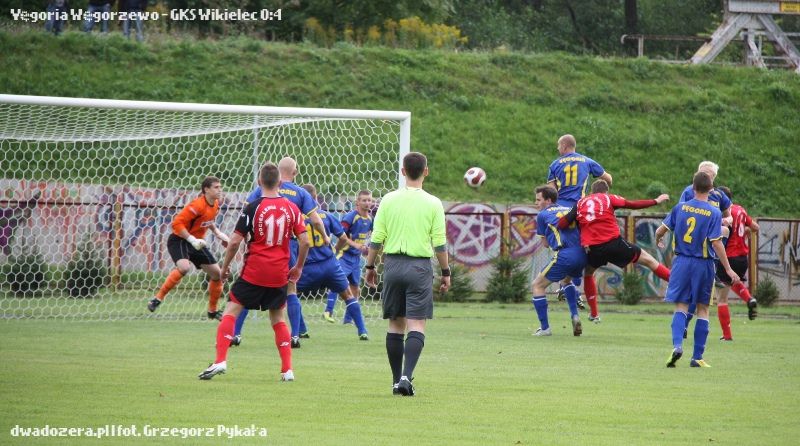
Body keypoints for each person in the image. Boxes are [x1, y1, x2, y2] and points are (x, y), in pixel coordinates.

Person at [198, 163, 310, 381]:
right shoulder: (292, 209)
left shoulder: (252, 207)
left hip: (255, 271)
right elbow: (305, 242)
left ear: (259, 182)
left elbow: (234, 242)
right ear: (280, 182)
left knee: (231, 309)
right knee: (278, 317)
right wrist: (298, 267)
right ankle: (287, 370)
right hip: (279, 273)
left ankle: (220, 361)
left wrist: (225, 267)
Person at [364, 152, 450, 397]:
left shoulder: (388, 200)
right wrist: (445, 271)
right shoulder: (433, 203)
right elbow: (440, 243)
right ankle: (405, 377)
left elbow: (377, 238)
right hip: (419, 267)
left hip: (392, 266)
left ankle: (395, 381)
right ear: (426, 171)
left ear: (403, 171)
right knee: (416, 324)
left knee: (395, 323)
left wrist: (370, 267)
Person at [233, 157, 329, 348]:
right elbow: (316, 220)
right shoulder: (300, 193)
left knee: (246, 290)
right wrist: (325, 237)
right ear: (295, 172)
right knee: (291, 289)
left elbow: (245, 215)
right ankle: (295, 336)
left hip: (261, 247)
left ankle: (235, 334)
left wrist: (246, 242)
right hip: (288, 246)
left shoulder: (261, 189)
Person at [655, 172, 740, 368]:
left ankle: (677, 346)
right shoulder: (714, 212)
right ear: (711, 189)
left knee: (681, 306)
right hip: (704, 264)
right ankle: (697, 357)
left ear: (693, 188)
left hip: (681, 262)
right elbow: (716, 242)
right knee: (703, 308)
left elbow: (661, 230)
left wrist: (659, 240)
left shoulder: (680, 208)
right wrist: (728, 269)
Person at [558, 179, 672, 321]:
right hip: (613, 243)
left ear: (592, 192)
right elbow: (632, 204)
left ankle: (594, 314)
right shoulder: (608, 198)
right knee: (649, 261)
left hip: (593, 248)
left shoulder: (580, 203)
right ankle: (678, 283)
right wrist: (656, 201)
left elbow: (562, 223)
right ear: (606, 191)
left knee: (588, 273)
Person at [147, 176, 230, 320]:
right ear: (206, 189)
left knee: (217, 274)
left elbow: (208, 220)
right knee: (184, 268)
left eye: (220, 187)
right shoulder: (197, 205)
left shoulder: (216, 204)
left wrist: (218, 233)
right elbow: (176, 224)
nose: (220, 190)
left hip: (197, 243)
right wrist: (191, 239)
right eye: (216, 187)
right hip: (179, 239)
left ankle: (212, 311)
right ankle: (157, 299)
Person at [294, 184, 368, 339]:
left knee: (291, 294)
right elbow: (343, 238)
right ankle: (363, 331)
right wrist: (335, 250)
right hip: (329, 265)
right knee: (348, 294)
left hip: (308, 267)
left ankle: (301, 330)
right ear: (315, 198)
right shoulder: (326, 216)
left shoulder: (296, 218)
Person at [547, 134, 612, 309]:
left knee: (564, 249)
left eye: (558, 145)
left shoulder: (555, 164)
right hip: (581, 210)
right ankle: (571, 288)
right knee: (582, 249)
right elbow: (608, 179)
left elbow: (551, 193)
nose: (557, 149)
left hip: (562, 212)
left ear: (565, 146)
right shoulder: (587, 161)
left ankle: (567, 288)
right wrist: (598, 194)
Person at [679, 161, 733, 336]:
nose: (705, 176)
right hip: (693, 251)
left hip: (710, 254)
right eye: (702, 172)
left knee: (701, 296)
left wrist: (726, 221)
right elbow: (680, 214)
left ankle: (685, 326)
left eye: (709, 174)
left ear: (714, 178)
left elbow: (729, 216)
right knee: (691, 293)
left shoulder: (719, 195)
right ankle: (684, 325)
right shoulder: (689, 192)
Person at [530, 185, 586, 337]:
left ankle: (545, 328)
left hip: (565, 255)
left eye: (538, 200)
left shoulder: (542, 215)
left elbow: (545, 244)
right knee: (566, 281)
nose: (536, 203)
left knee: (537, 285)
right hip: (582, 254)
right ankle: (575, 315)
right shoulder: (569, 209)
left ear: (548, 200)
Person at [714, 186, 760, 341]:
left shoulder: (723, 213)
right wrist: (744, 231)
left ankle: (727, 336)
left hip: (728, 257)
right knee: (734, 282)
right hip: (742, 258)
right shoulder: (740, 210)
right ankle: (749, 299)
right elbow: (755, 227)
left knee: (721, 298)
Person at [324, 190, 374, 323]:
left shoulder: (370, 219)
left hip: (356, 259)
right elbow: (341, 236)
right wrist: (356, 245)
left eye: (369, 200)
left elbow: (371, 235)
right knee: (337, 282)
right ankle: (328, 311)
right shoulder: (350, 217)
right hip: (344, 256)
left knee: (355, 288)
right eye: (364, 200)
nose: (367, 203)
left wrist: (367, 246)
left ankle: (348, 319)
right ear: (357, 202)